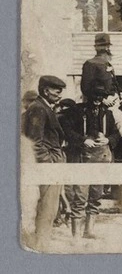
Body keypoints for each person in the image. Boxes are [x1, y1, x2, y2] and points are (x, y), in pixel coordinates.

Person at [59, 85, 120, 240]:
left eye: (101, 98)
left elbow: (116, 134)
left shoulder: (108, 114)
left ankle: (89, 231)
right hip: (82, 159)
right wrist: (83, 140)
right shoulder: (77, 111)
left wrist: (108, 139)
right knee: (80, 196)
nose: (98, 101)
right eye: (95, 97)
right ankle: (76, 235)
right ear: (88, 97)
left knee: (96, 195)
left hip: (101, 160)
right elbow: (66, 129)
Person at [80, 33, 122, 161]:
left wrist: (120, 93)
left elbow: (114, 84)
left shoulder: (108, 63)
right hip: (99, 103)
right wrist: (102, 99)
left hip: (115, 99)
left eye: (106, 45)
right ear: (96, 47)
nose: (104, 49)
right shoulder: (90, 64)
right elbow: (85, 88)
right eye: (101, 46)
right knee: (120, 120)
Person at [22, 75, 67, 249]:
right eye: (57, 90)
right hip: (48, 166)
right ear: (46, 91)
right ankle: (40, 246)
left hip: (52, 164)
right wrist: (48, 164)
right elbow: (35, 142)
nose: (60, 93)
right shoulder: (39, 109)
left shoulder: (43, 107)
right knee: (47, 209)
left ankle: (41, 244)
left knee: (50, 209)